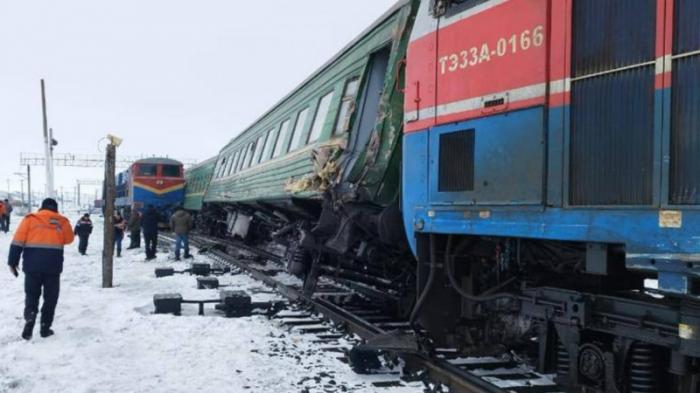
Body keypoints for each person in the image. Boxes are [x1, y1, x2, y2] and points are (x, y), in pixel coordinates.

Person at [8, 198, 74, 340]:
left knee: (31, 295)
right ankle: (45, 327)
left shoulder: (30, 219)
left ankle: (30, 318)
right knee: (51, 298)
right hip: (53, 267)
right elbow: (69, 239)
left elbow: (17, 241)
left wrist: (12, 262)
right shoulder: (62, 221)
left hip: (32, 267)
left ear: (41, 208)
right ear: (55, 209)